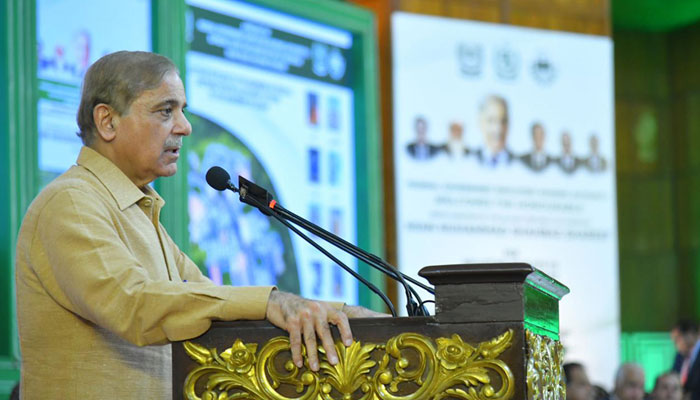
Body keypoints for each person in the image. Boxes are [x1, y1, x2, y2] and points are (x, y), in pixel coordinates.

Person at [15, 51, 382, 399]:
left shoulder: (139, 210)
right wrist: (271, 300)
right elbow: (133, 305)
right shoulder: (72, 202)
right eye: (165, 111)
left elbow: (212, 304)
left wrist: (341, 313)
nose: (185, 127)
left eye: (182, 111)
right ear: (107, 121)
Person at [474, 94, 513, 167]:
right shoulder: (470, 160)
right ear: (480, 123)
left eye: (503, 121)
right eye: (491, 121)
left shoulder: (519, 163)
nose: (498, 129)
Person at [670, 320, 700, 399]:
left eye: (677, 339)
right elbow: (673, 376)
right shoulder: (679, 356)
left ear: (690, 335)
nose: (675, 345)